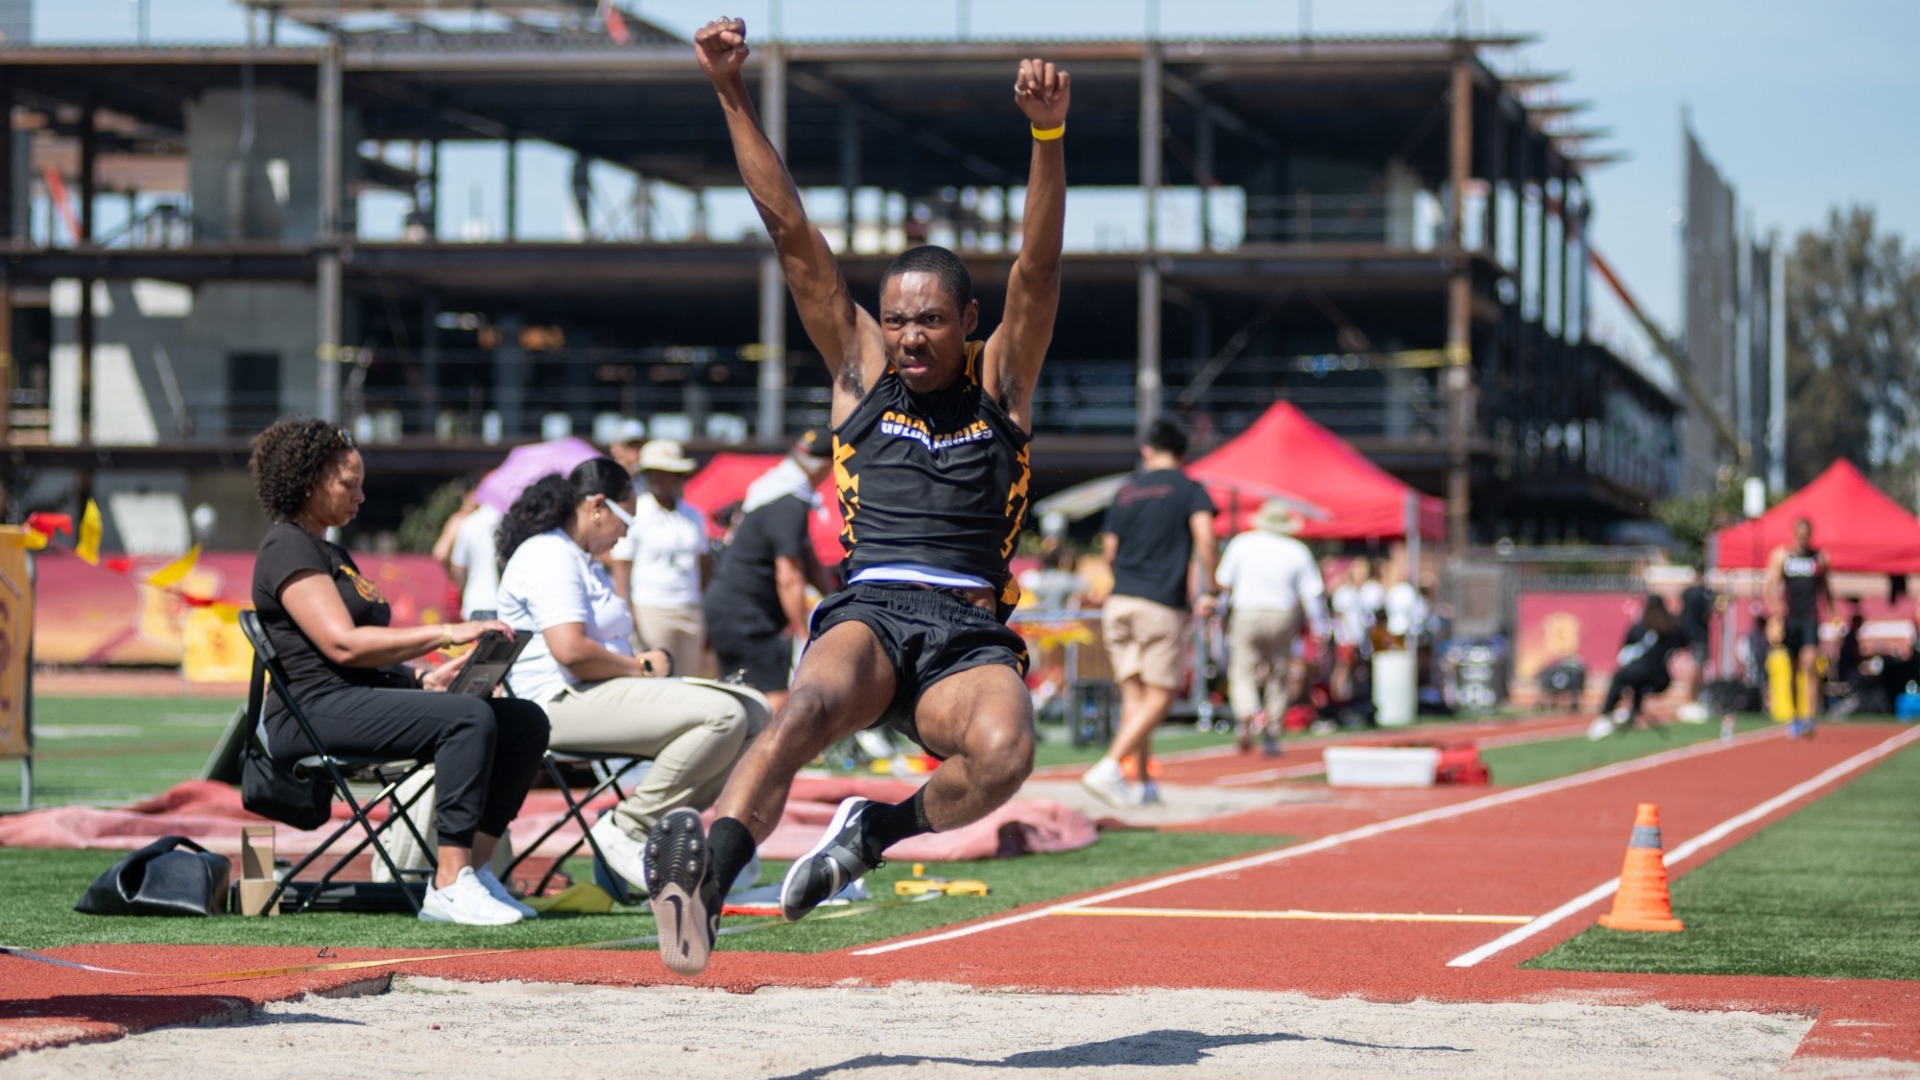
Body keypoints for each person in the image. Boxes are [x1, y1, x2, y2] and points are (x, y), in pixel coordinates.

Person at [642, 17, 1069, 978]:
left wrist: (1047, 140)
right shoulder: (859, 372)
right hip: (872, 606)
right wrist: (728, 90)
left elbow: (1036, 270)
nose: (909, 336)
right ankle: (707, 885)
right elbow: (790, 226)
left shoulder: (1001, 385)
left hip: (966, 630)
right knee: (802, 710)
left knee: (1006, 756)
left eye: (929, 320)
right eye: (897, 318)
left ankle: (873, 832)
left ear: (969, 322)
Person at [247, 419, 549, 925]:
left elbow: (364, 656)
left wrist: (422, 679)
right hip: (312, 713)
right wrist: (446, 633)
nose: (361, 496)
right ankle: (448, 883)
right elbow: (341, 645)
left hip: (353, 701)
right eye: (349, 483)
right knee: (467, 719)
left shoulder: (331, 552)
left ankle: (476, 871)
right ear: (307, 482)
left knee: (524, 721)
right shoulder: (286, 548)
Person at [492, 457, 769, 893]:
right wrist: (640, 667)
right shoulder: (549, 554)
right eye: (627, 519)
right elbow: (571, 652)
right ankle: (629, 827)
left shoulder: (580, 558)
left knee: (756, 712)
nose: (626, 532)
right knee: (724, 717)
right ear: (598, 506)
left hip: (595, 692)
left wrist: (637, 665)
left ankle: (669, 827)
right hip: (556, 703)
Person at [1082, 417, 1218, 807]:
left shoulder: (1125, 491)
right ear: (1183, 452)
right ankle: (1109, 766)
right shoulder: (1190, 489)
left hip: (1120, 601)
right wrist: (1214, 584)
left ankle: (1141, 784)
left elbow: (1109, 550)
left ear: (1146, 450)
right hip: (1161, 603)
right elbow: (1206, 539)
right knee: (1161, 696)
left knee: (1135, 698)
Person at [702, 429, 838, 714]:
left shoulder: (777, 490)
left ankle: (737, 757)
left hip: (732, 608)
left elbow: (807, 558)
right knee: (773, 699)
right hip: (746, 614)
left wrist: (835, 599)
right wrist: (803, 632)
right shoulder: (788, 503)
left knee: (740, 696)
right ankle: (761, 759)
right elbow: (789, 576)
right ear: (827, 465)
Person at [1215, 499, 1328, 755]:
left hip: (1246, 612)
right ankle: (1272, 725)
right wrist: (1320, 627)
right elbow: (1313, 593)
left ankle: (1247, 712)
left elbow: (1223, 585)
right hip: (1282, 614)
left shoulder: (1241, 544)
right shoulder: (1297, 550)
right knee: (1279, 671)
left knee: (1242, 670)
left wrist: (1220, 616)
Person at [609, 439, 714, 678]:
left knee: (690, 680)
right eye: (654, 474)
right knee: (655, 679)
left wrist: (705, 609)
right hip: (651, 608)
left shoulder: (693, 515)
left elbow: (704, 566)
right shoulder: (637, 513)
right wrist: (628, 619)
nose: (660, 480)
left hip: (690, 607)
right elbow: (621, 569)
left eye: (667, 474)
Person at [1765, 516, 1831, 738]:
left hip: (1810, 620)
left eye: (1806, 534)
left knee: (1810, 665)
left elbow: (1826, 589)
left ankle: (1810, 718)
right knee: (1793, 670)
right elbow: (1770, 585)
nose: (1803, 538)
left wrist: (1833, 614)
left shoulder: (1818, 558)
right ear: (1794, 533)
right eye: (1799, 534)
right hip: (1790, 620)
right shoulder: (1784, 556)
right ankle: (1796, 718)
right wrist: (1776, 612)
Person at [1587, 594, 1681, 739]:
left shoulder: (1639, 628)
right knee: (1636, 680)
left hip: (1640, 672)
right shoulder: (1671, 628)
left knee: (1620, 677)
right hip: (1661, 678)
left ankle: (1605, 716)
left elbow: (1623, 654)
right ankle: (1634, 711)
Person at [1329, 557, 1383, 704]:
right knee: (1343, 668)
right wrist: (1343, 637)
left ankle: (1349, 698)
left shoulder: (1356, 593)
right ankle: (1337, 700)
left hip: (1358, 638)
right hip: (1347, 638)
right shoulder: (1343, 593)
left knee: (1354, 669)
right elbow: (1339, 618)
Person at [1675, 568, 1716, 723]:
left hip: (1686, 633)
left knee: (1697, 665)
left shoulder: (1686, 593)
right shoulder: (1704, 593)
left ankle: (1692, 699)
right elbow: (1707, 615)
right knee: (1698, 667)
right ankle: (1691, 700)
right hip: (1699, 635)